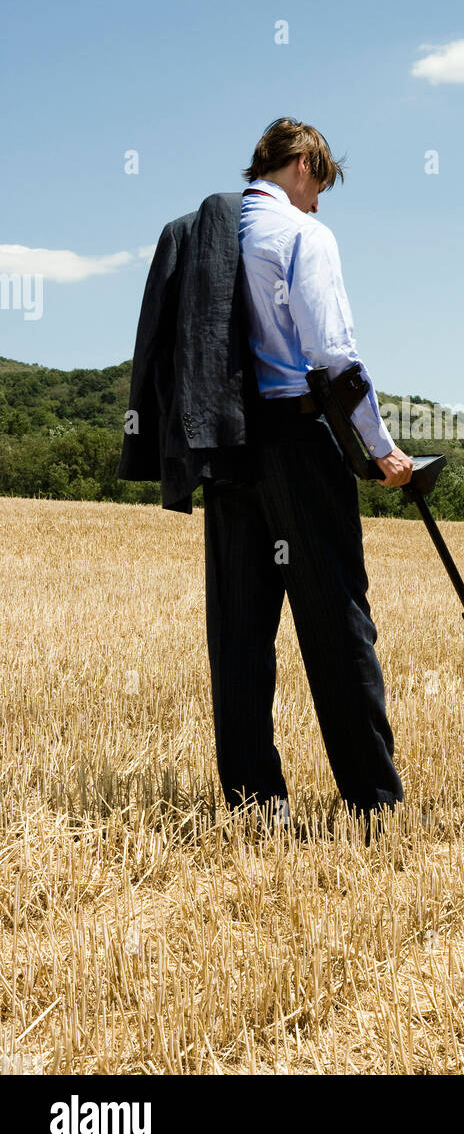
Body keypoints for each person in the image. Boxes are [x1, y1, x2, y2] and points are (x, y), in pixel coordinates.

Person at [119, 116, 412, 838]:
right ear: (307, 164)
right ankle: (373, 806)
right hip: (294, 442)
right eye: (320, 189)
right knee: (337, 622)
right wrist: (381, 448)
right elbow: (333, 357)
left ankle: (257, 810)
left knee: (240, 632)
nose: (318, 205)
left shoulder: (197, 232)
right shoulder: (303, 236)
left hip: (223, 445)